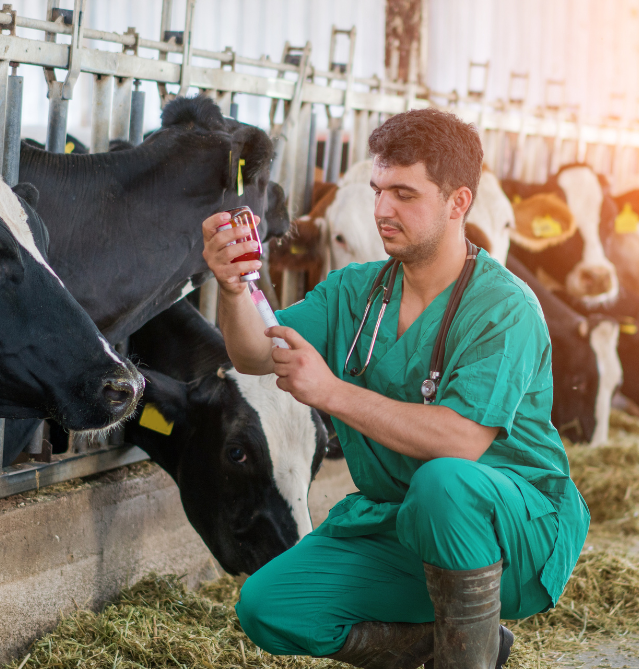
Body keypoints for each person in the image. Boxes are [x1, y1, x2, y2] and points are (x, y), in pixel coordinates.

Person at [200, 109, 590, 669]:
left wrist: (331, 393)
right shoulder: (354, 293)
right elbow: (255, 352)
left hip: (513, 539)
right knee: (268, 604)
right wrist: (235, 289)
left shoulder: (505, 307)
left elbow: (458, 441)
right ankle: (461, 640)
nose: (382, 210)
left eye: (404, 194)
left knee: (444, 483)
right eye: (378, 190)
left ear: (458, 202)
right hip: (406, 526)